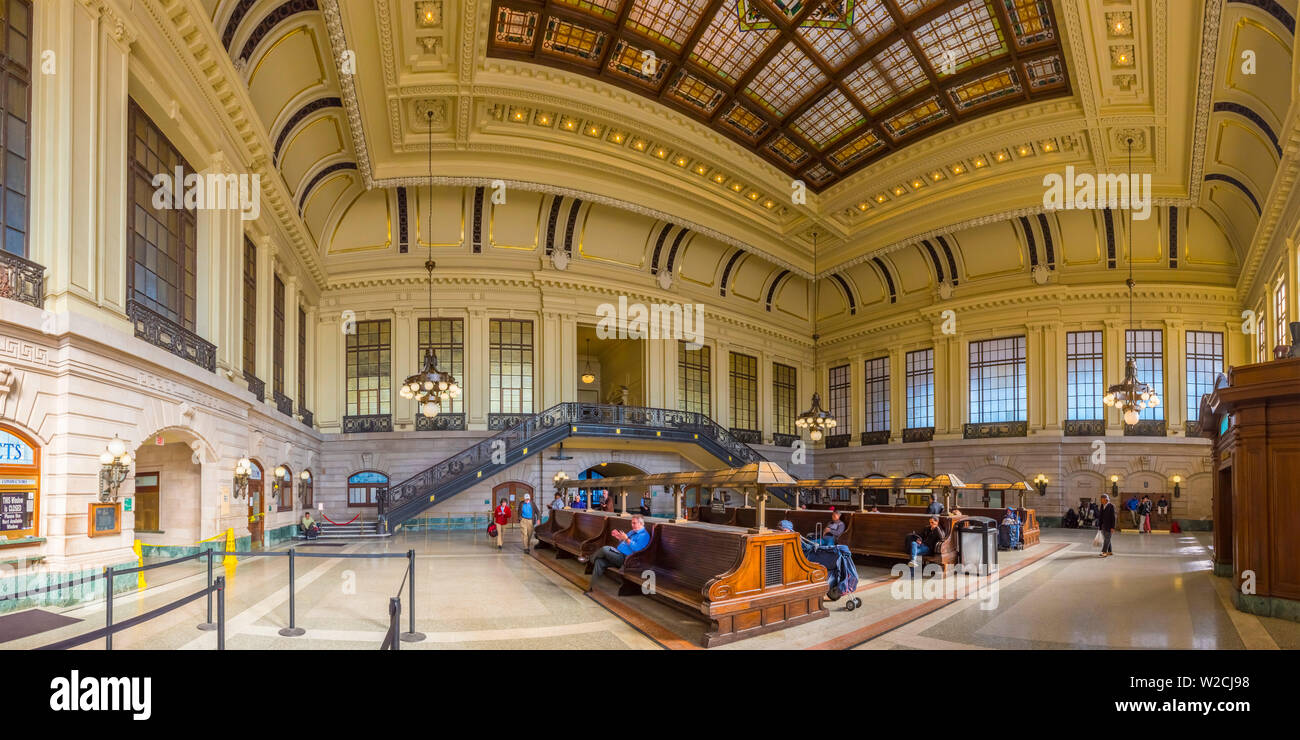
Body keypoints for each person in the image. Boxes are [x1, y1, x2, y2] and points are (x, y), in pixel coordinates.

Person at [586, 514, 651, 591]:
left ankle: (590, 559)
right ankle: (592, 587)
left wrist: (626, 539)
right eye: (632, 523)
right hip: (617, 555)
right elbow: (624, 541)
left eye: (634, 523)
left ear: (641, 523)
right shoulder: (632, 532)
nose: (632, 525)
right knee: (599, 561)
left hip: (627, 560)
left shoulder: (644, 535)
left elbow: (637, 549)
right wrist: (619, 537)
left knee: (605, 549)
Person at [1097, 493, 1117, 558]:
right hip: (1103, 525)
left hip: (1109, 526)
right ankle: (1110, 551)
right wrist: (1100, 526)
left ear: (1106, 499)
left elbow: (1113, 517)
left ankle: (1104, 552)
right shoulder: (1102, 506)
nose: (1101, 500)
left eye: (1102, 499)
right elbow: (1101, 516)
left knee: (1107, 539)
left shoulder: (1111, 506)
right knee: (1107, 538)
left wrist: (1113, 527)